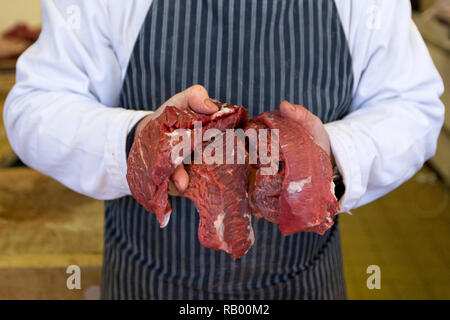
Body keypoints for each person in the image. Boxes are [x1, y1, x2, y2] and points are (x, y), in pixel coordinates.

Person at [4, 0, 444, 299]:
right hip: (147, 280)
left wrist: (334, 155)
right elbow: (35, 105)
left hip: (304, 281)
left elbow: (413, 105)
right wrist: (139, 140)